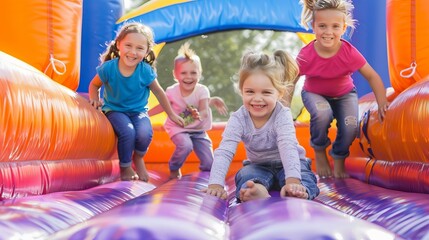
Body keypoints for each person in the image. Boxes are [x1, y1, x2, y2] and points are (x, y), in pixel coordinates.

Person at [203, 50, 320, 202]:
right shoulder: (239, 119)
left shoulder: (282, 114)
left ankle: (296, 191)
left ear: (279, 93)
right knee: (246, 175)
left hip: (291, 164)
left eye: (266, 92)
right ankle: (256, 190)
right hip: (258, 165)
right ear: (241, 91)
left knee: (305, 177)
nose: (257, 99)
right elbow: (225, 151)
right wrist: (216, 184)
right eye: (250, 92)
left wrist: (293, 181)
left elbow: (287, 145)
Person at [298, 0, 389, 178]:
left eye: (335, 26)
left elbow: (372, 76)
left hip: (344, 95)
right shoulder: (306, 54)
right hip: (314, 93)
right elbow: (290, 79)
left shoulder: (349, 52)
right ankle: (319, 150)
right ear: (313, 26)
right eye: (322, 26)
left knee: (350, 126)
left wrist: (382, 102)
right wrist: (283, 105)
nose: (328, 32)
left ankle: (339, 159)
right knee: (322, 113)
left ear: (343, 27)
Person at [88, 22, 185, 182]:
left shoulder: (145, 71)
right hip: (114, 110)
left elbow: (159, 92)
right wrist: (94, 99)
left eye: (139, 48)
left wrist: (172, 114)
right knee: (127, 132)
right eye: (128, 45)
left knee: (144, 133)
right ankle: (125, 166)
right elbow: (94, 84)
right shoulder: (109, 68)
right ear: (119, 44)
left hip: (138, 112)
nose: (133, 52)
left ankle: (138, 158)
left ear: (147, 51)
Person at [149, 42, 228, 179]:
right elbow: (163, 105)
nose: (188, 77)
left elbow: (204, 109)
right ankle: (174, 167)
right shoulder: (172, 91)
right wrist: (147, 114)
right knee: (186, 145)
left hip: (198, 130)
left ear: (200, 73)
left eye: (193, 73)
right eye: (183, 73)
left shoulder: (202, 90)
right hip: (178, 127)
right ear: (175, 74)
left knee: (210, 162)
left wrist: (199, 115)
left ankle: (204, 177)